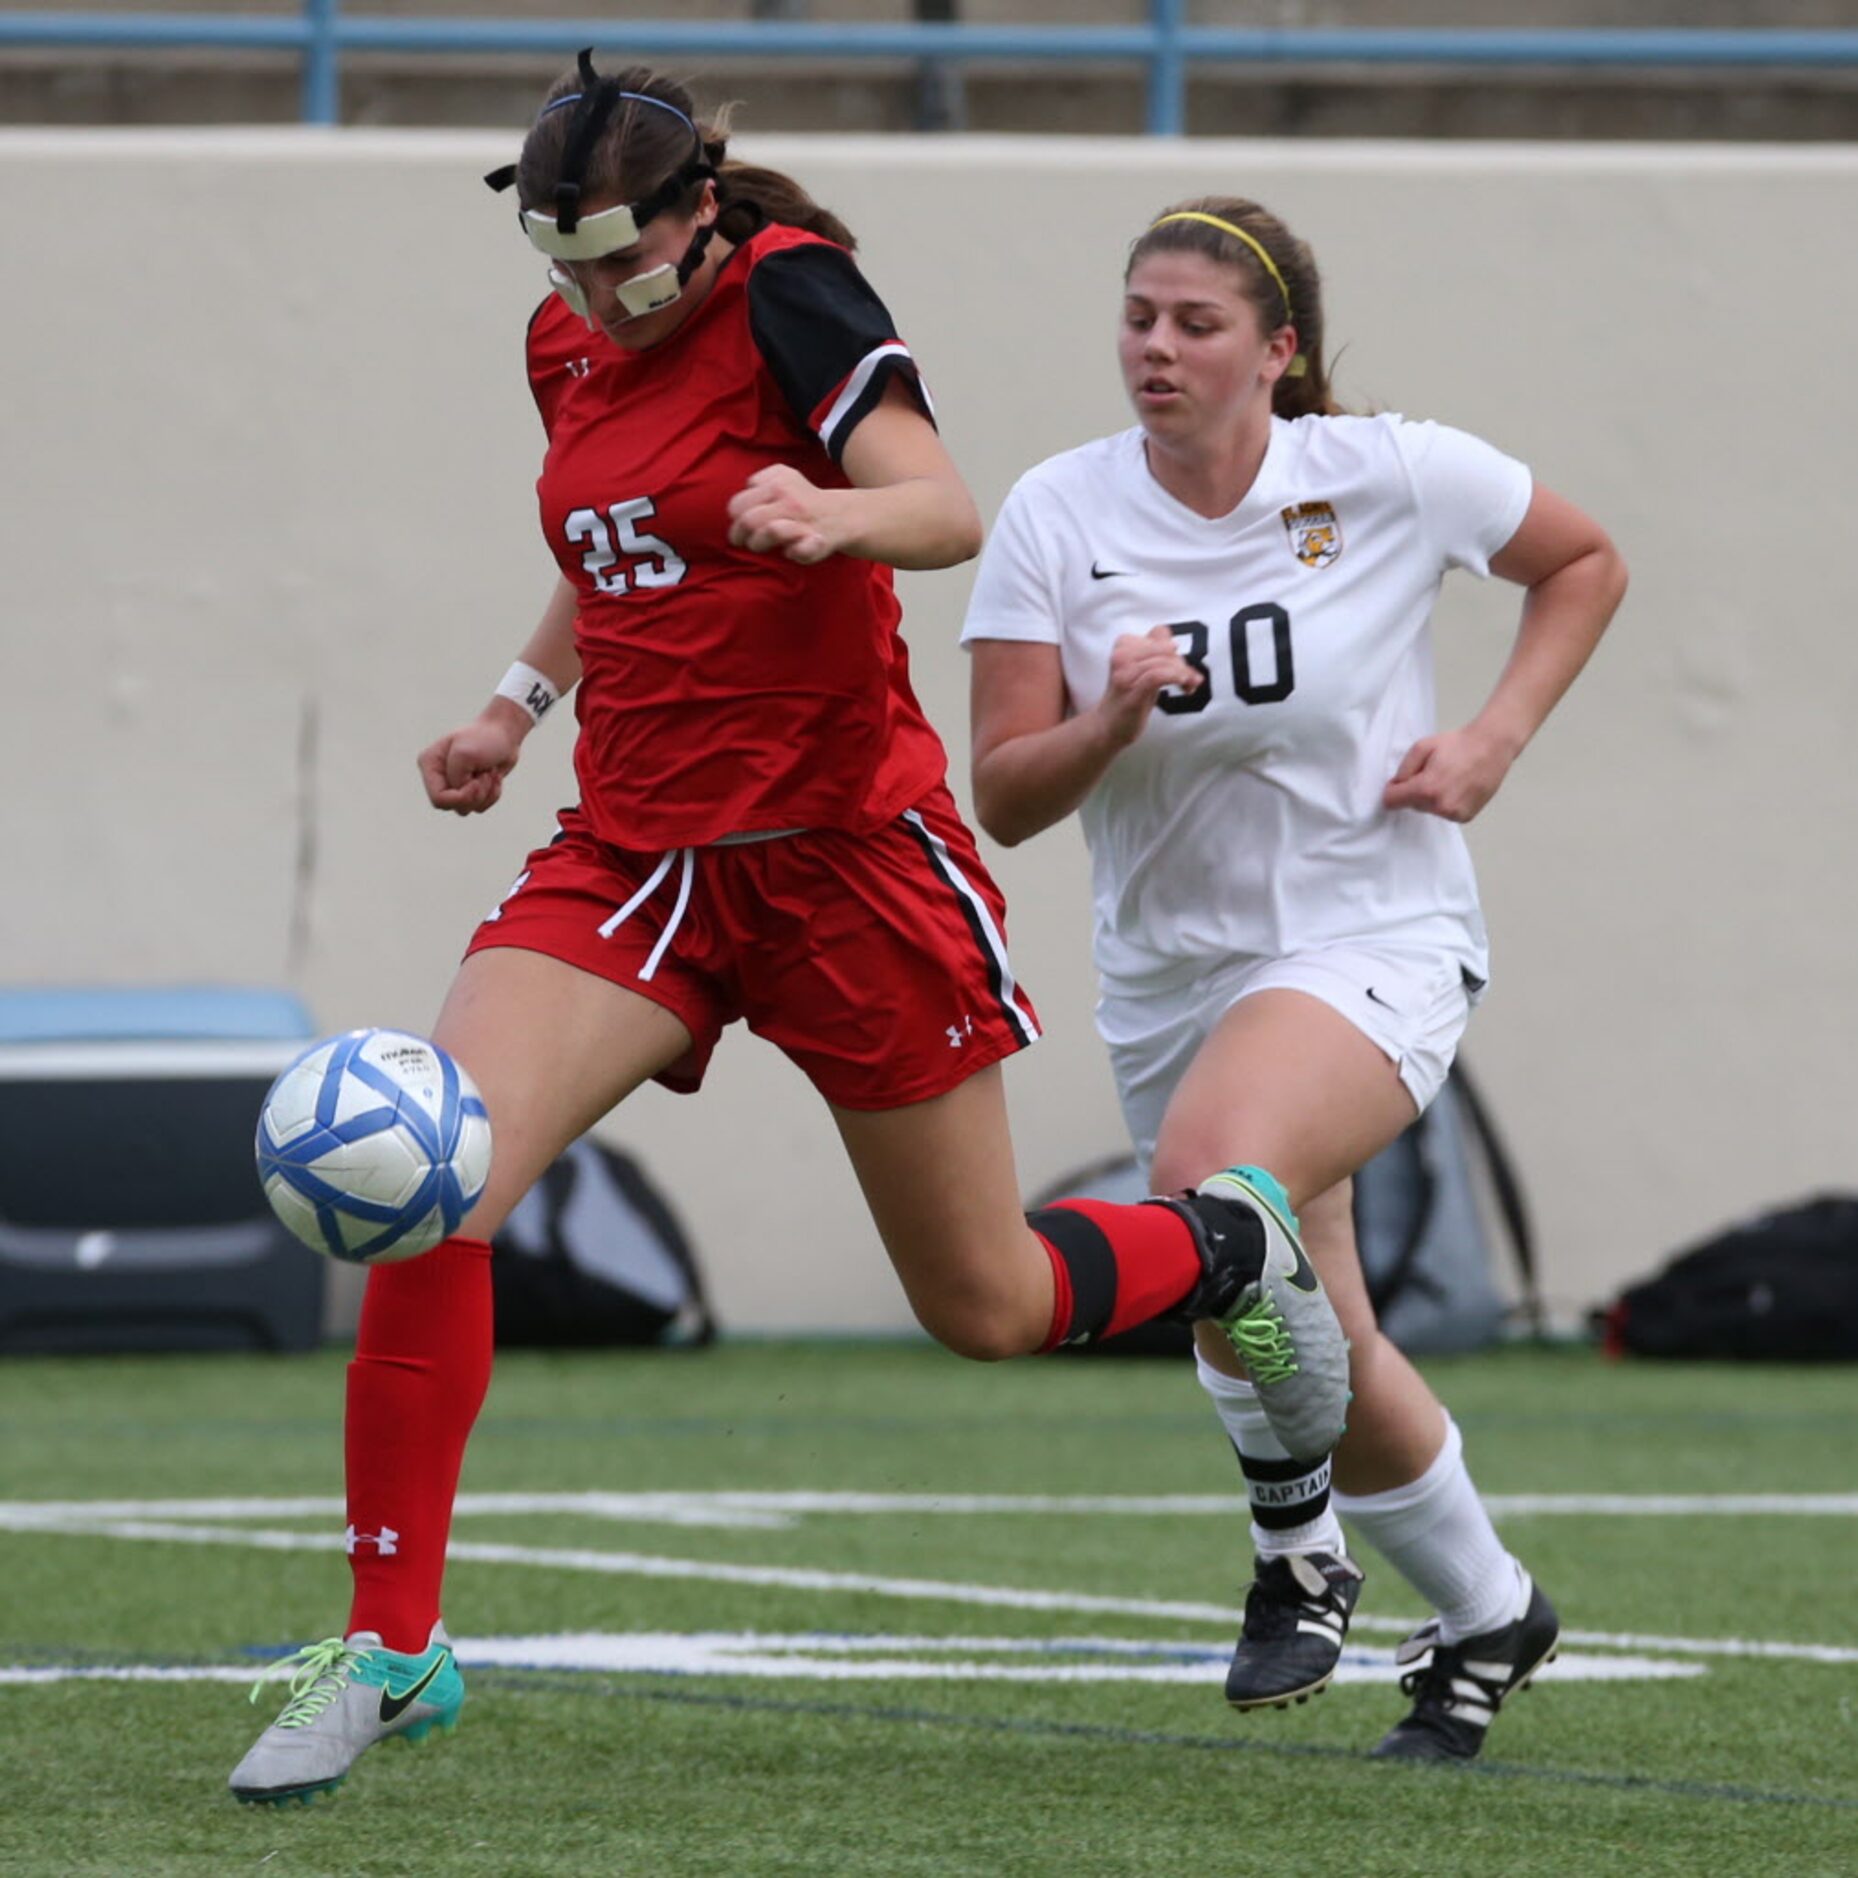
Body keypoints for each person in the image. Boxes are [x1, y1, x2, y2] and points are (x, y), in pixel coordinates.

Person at [228, 73, 1353, 1806]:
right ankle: (392, 1648)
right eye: (559, 264)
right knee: (430, 1173)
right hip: (638, 855)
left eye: (617, 263)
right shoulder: (569, 337)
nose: (590, 300)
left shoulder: (791, 290)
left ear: (694, 212)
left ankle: (1226, 1247)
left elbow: (941, 504)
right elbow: (614, 543)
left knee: (984, 1303)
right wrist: (515, 701)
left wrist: (829, 513)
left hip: (844, 857)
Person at [962, 195, 1626, 1762]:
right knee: (1303, 1322)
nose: (1155, 349)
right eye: (1137, 316)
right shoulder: (1057, 514)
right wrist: (1109, 721)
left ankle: (1292, 1554)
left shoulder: (1383, 470)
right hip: (1169, 975)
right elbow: (1000, 790)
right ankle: (1489, 1612)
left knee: (1209, 1190)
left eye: (1195, 325)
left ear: (1279, 354)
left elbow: (1583, 559)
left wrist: (1490, 739)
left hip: (1370, 940)